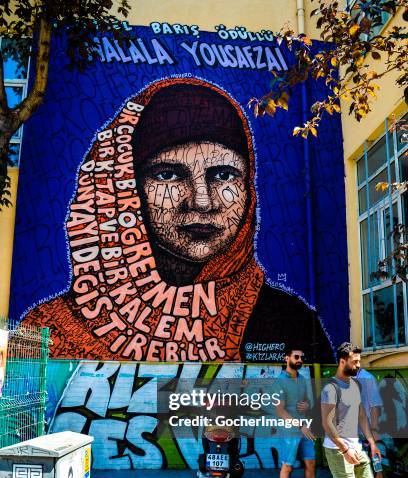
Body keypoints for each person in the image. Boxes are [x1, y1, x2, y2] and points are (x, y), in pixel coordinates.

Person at [22, 78, 334, 363]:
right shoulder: (52, 329)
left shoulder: (291, 324)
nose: (201, 201)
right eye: (168, 175)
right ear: (126, 188)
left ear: (248, 186)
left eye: (223, 175)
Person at [321, 342, 380, 478]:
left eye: (359, 361)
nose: (358, 365)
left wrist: (371, 441)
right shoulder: (331, 387)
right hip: (337, 448)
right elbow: (326, 423)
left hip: (356, 445)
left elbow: (362, 415)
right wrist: (344, 449)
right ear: (342, 361)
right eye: (355, 362)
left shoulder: (355, 385)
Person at [275, 346, 331, 478]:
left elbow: (307, 402)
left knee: (311, 463)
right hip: (290, 431)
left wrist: (307, 406)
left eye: (302, 357)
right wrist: (300, 426)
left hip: (304, 428)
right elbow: (280, 411)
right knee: (288, 466)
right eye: (296, 356)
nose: (300, 359)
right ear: (287, 358)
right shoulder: (279, 381)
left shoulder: (303, 378)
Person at [356, 367, 392, 478]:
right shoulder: (346, 376)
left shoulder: (367, 378)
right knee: (358, 466)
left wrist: (375, 430)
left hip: (370, 431)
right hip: (355, 432)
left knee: (377, 468)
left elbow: (375, 406)